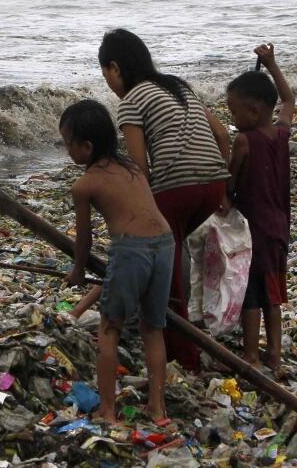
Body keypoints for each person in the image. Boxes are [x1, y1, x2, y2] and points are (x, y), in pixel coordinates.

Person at [98, 28, 230, 371]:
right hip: (214, 184)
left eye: (105, 73)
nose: (108, 82)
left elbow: (140, 168)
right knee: (173, 246)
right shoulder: (178, 86)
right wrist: (223, 181)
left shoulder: (132, 100)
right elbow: (220, 133)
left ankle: (183, 357)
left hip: (178, 188)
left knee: (166, 273)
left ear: (115, 67)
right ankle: (177, 334)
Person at [60, 100, 173, 425]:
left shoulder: (85, 184)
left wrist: (77, 271)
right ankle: (158, 410)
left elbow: (84, 240)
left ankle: (107, 410)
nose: (67, 150)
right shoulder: (133, 168)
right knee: (153, 329)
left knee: (109, 328)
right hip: (165, 244)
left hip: (131, 250)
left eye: (68, 143)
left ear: (86, 147)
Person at [224, 44, 295, 378]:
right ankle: (275, 354)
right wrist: (272, 65)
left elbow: (230, 183)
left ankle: (251, 354)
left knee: (251, 293)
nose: (233, 119)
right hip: (279, 227)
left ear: (253, 111)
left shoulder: (244, 141)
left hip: (255, 230)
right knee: (273, 293)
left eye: (234, 112)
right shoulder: (280, 134)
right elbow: (289, 100)